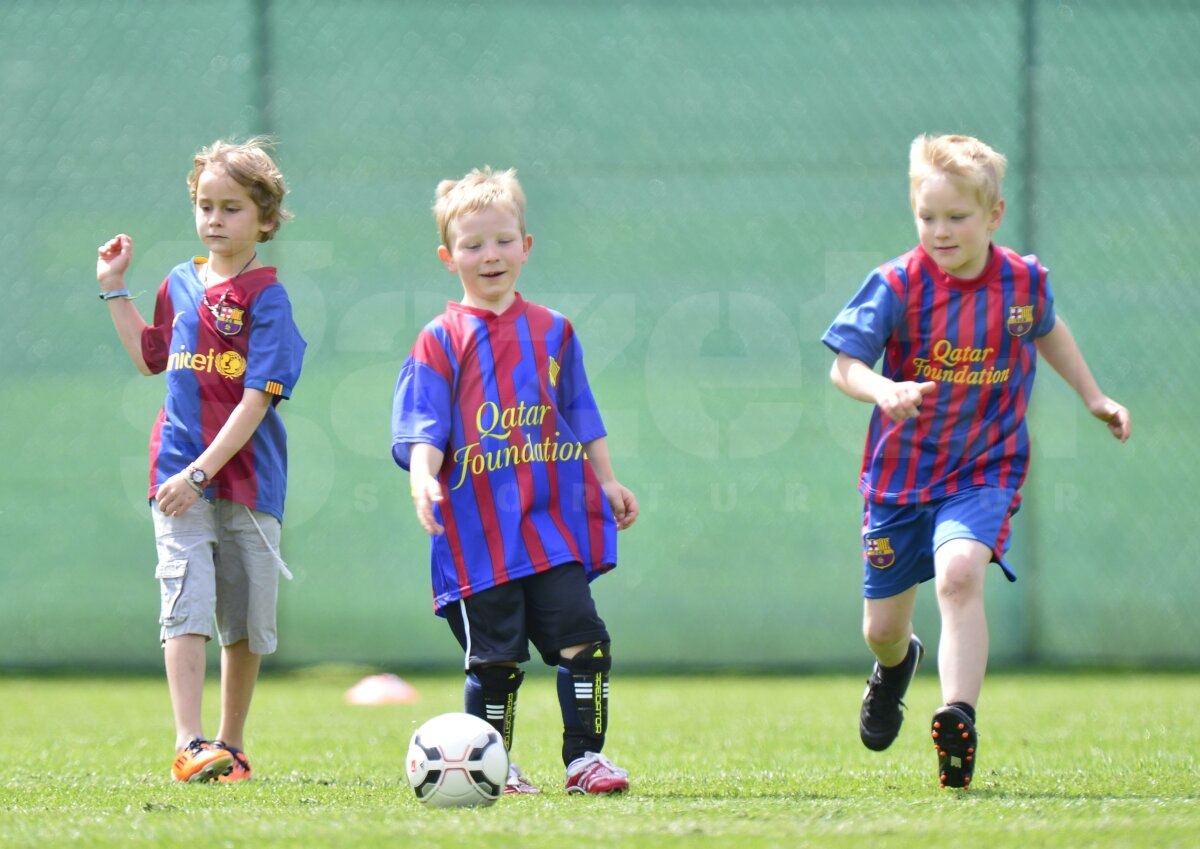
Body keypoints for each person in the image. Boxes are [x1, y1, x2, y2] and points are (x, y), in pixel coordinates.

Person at [822, 134, 1131, 789]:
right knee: (881, 627)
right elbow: (843, 365)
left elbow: (1046, 327)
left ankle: (956, 715)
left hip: (983, 470)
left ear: (993, 215)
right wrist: (884, 388)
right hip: (899, 480)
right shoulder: (896, 284)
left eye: (956, 217)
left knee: (960, 573)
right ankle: (897, 665)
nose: (940, 231)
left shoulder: (1022, 281)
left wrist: (1094, 395)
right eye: (926, 217)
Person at [391, 167, 639, 795]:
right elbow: (423, 423)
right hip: (478, 537)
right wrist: (423, 476)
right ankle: (495, 766)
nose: (490, 255)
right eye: (473, 246)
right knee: (497, 661)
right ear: (449, 258)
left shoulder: (555, 331)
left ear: (526, 246)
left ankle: (586, 761)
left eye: (503, 241)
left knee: (586, 642)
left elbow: (581, 413)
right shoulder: (440, 339)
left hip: (550, 525)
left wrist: (608, 482)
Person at [95, 138, 306, 783]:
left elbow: (255, 403)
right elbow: (149, 357)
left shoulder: (267, 299)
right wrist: (114, 290)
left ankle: (231, 744)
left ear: (265, 220)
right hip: (177, 475)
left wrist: (202, 473)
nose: (216, 219)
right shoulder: (179, 283)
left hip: (244, 482)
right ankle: (189, 743)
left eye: (233, 208)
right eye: (205, 205)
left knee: (242, 622)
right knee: (183, 602)